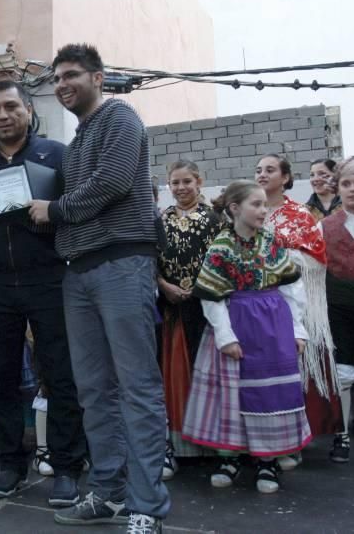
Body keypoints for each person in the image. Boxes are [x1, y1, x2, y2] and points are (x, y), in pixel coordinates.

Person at [28, 43, 168, 533]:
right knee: (94, 390)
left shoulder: (120, 118)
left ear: (98, 77)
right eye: (57, 78)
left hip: (122, 265)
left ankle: (146, 506)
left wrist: (55, 210)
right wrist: (16, 198)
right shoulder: (81, 136)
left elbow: (113, 182)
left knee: (137, 387)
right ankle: (107, 492)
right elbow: (61, 202)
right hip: (79, 271)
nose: (62, 85)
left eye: (71, 75)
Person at [0, 79, 86, 506]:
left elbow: (76, 211)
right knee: (2, 378)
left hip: (49, 278)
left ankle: (66, 468)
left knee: (60, 375)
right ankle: (10, 464)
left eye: (11, 107)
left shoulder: (56, 154)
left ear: (27, 109)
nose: (3, 116)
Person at [182, 180, 311, 494]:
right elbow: (211, 296)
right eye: (256, 204)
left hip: (272, 329)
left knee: (271, 395)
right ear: (235, 208)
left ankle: (268, 460)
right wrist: (225, 337)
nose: (263, 210)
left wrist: (297, 329)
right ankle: (231, 457)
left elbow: (292, 288)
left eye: (265, 204)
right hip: (236, 325)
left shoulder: (272, 241)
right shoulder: (221, 246)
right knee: (232, 394)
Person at [256, 153, 342, 466]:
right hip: (255, 307)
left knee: (291, 374)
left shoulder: (301, 214)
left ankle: (292, 440)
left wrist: (277, 260)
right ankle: (265, 441)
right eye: (258, 170)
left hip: (292, 304)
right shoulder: (252, 209)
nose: (262, 175)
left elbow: (317, 260)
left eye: (269, 170)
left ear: (286, 177)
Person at [156, 161, 222, 478]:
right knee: (174, 375)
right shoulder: (161, 219)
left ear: (199, 181)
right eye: (175, 182)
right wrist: (163, 285)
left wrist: (199, 289)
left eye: (186, 181)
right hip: (171, 310)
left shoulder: (215, 220)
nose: (181, 188)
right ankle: (177, 446)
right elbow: (149, 257)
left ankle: (213, 446)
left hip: (206, 310)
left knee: (206, 375)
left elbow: (222, 261)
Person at [320, 156, 354, 462]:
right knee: (343, 373)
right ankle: (341, 434)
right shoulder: (325, 226)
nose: (353, 189)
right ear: (338, 188)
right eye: (346, 183)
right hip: (339, 308)